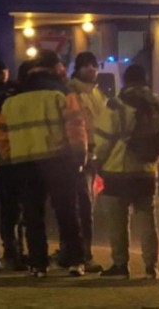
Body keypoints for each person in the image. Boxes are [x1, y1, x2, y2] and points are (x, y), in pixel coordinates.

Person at [0, 51, 88, 278]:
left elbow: (3, 137)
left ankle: (38, 264)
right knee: (66, 212)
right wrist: (79, 157)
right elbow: (76, 128)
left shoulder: (12, 99)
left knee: (32, 215)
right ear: (54, 68)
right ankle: (75, 261)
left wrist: (9, 160)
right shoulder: (61, 94)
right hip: (58, 160)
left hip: (24, 163)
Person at [94, 64, 159, 280]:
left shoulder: (117, 104)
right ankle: (151, 267)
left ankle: (120, 265)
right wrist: (156, 162)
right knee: (146, 219)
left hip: (117, 170)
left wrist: (98, 162)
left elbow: (104, 138)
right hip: (146, 171)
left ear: (126, 82)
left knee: (117, 221)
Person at [66, 51, 107, 273]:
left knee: (88, 207)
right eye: (86, 65)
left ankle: (82, 253)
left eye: (94, 65)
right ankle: (79, 256)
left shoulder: (96, 93)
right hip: (79, 156)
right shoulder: (72, 93)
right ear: (77, 69)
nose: (92, 69)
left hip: (95, 156)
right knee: (81, 207)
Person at [0, 60, 37, 271]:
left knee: (10, 210)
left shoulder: (4, 95)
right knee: (22, 209)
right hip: (20, 159)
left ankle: (13, 252)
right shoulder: (25, 98)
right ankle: (17, 252)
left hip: (7, 160)